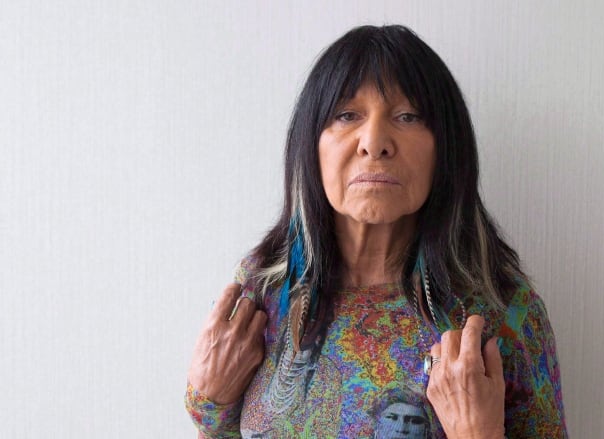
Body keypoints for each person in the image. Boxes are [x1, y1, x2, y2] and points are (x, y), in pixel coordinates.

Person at [185, 24, 567, 438]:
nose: (375, 141)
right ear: (311, 143)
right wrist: (209, 401)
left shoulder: (501, 312)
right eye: (347, 115)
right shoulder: (264, 290)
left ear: (446, 148)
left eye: (407, 116)